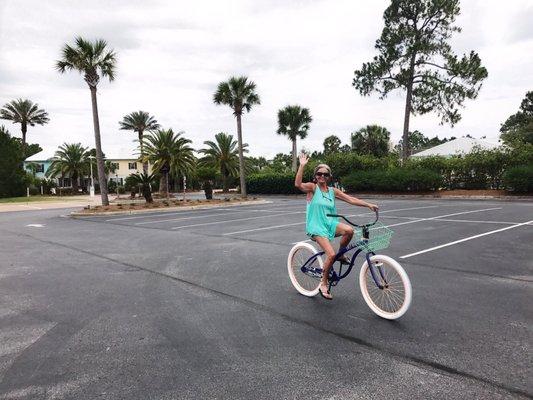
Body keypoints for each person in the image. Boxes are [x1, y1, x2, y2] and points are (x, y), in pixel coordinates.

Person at [294, 153, 378, 300]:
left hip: (330, 223)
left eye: (325, 174)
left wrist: (368, 205)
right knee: (330, 254)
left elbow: (350, 199)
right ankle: (323, 283)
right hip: (316, 226)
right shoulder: (313, 188)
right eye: (319, 174)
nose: (322, 176)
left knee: (349, 231)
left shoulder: (333, 191)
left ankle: (341, 254)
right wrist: (302, 165)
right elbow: (298, 185)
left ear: (329, 177)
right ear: (315, 176)